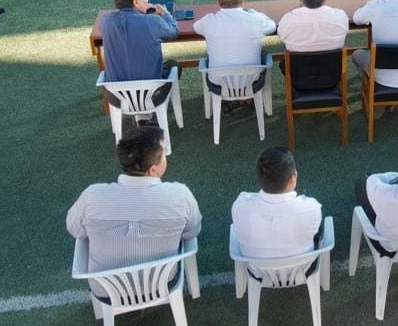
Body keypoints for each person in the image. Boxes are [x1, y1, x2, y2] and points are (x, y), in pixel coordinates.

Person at [66, 125, 202, 293]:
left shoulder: (91, 196)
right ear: (153, 169)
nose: (166, 157)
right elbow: (192, 231)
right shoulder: (180, 195)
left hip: (106, 289)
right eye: (163, 154)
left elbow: (75, 229)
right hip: (163, 283)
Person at [231, 146, 323, 259]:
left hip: (256, 269)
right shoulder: (311, 208)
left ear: (259, 178)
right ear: (292, 179)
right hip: (303, 268)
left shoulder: (240, 207)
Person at [194, 0, 275, 71]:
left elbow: (196, 27)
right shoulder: (256, 19)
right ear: (242, 0)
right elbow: (272, 26)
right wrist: (254, 13)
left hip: (217, 78)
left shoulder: (209, 21)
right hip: (252, 78)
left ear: (218, 2)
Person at [277, 0, 349, 54]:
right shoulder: (341, 17)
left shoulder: (287, 21)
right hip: (334, 62)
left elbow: (281, 37)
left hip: (299, 62)